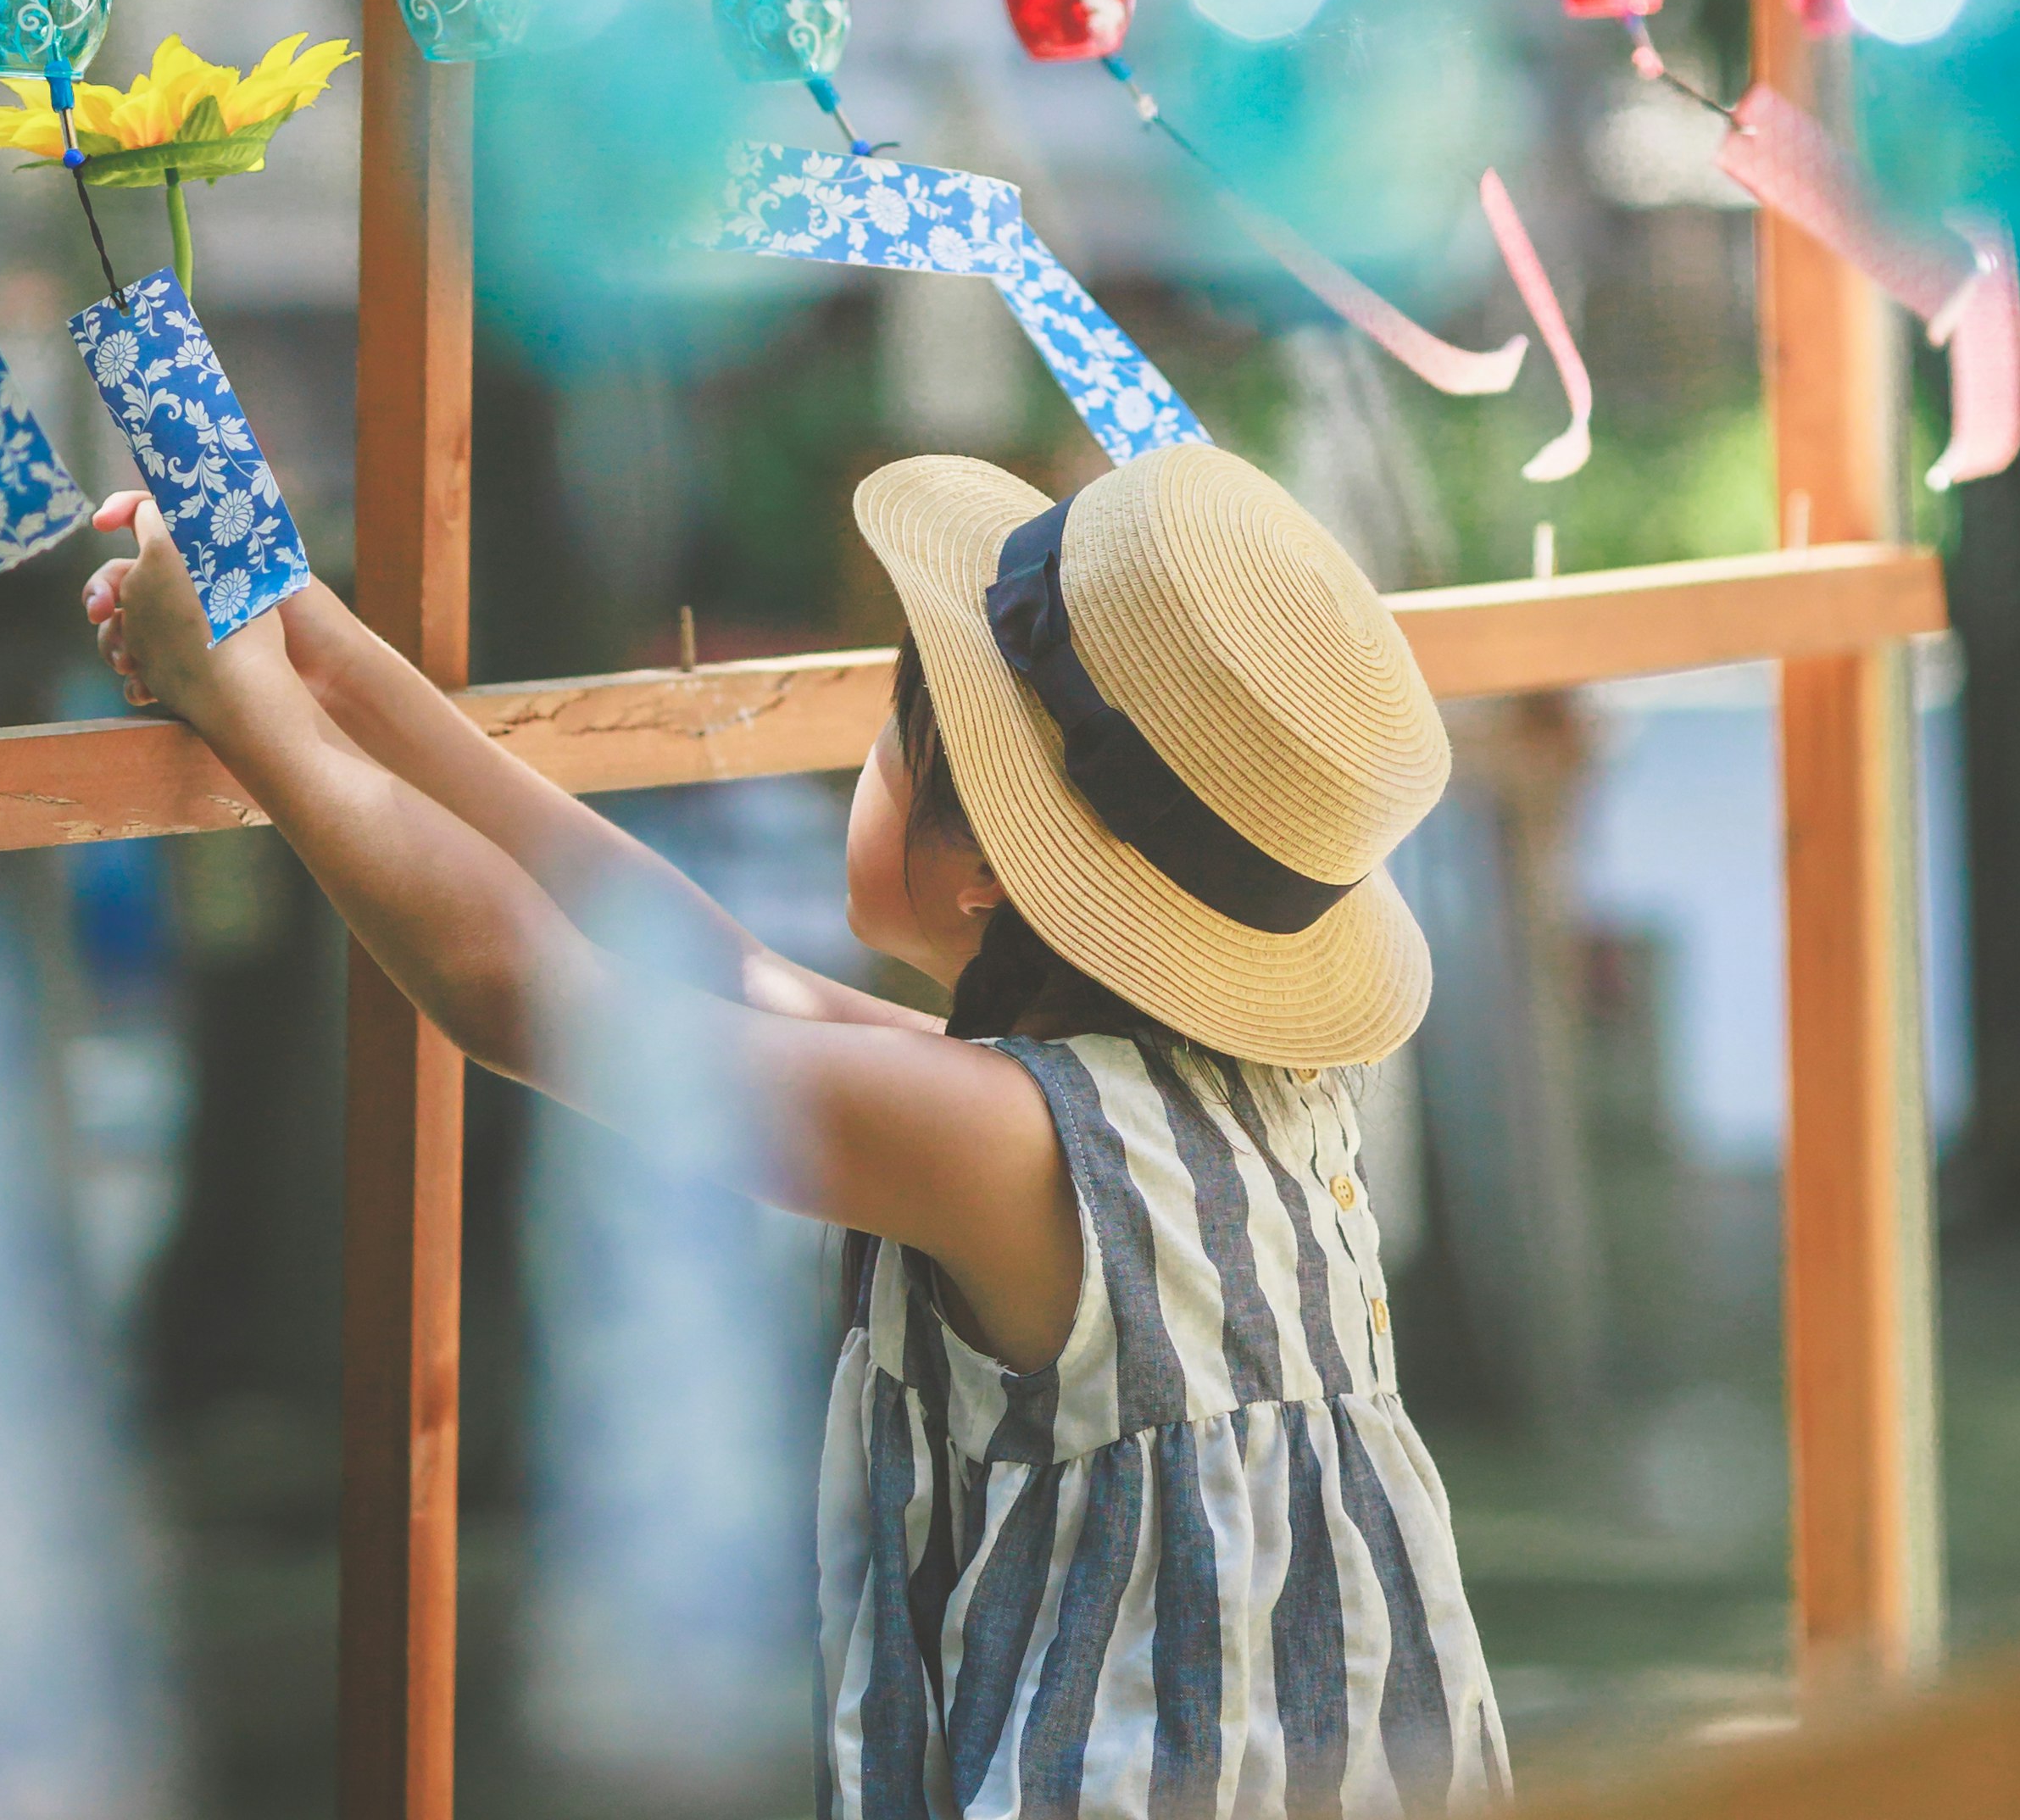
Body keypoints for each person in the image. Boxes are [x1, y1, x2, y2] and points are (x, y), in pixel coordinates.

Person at [87, 437, 1511, 1820]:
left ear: (986, 872)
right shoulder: (1197, 1092)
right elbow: (706, 962)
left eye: (902, 729)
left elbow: (523, 993)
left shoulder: (1000, 1141)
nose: (866, 760)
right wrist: (325, 654)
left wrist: (244, 710)